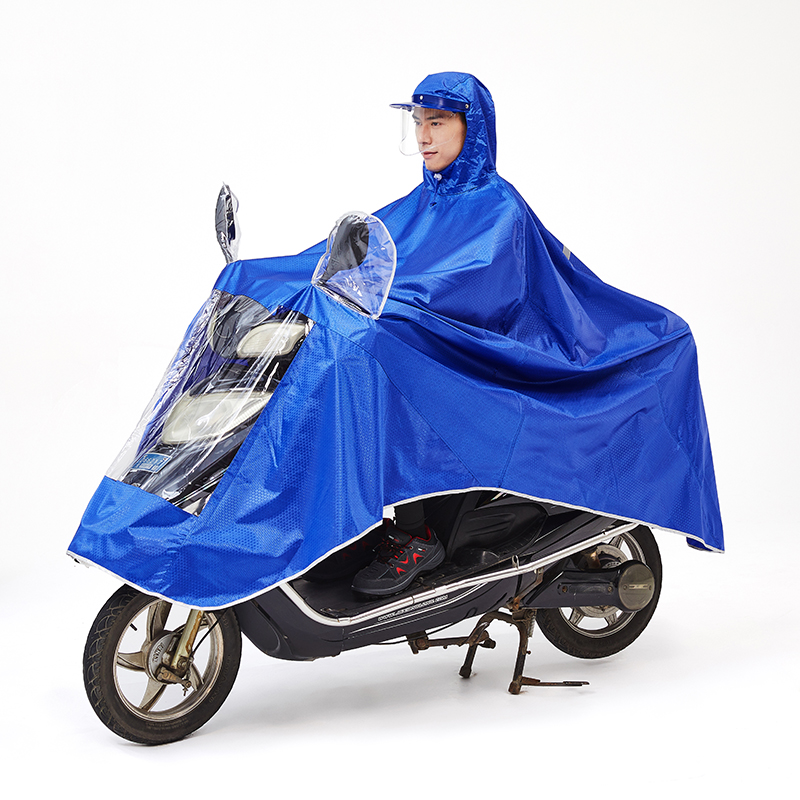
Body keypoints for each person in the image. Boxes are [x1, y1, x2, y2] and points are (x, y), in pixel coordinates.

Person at [350, 88, 472, 597]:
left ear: (471, 127)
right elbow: (357, 257)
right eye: (419, 122)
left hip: (472, 357)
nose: (423, 135)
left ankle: (419, 535)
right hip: (424, 343)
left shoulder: (497, 208)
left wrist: (403, 307)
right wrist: (269, 277)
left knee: (385, 365)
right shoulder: (420, 203)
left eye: (437, 122)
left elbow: (473, 284)